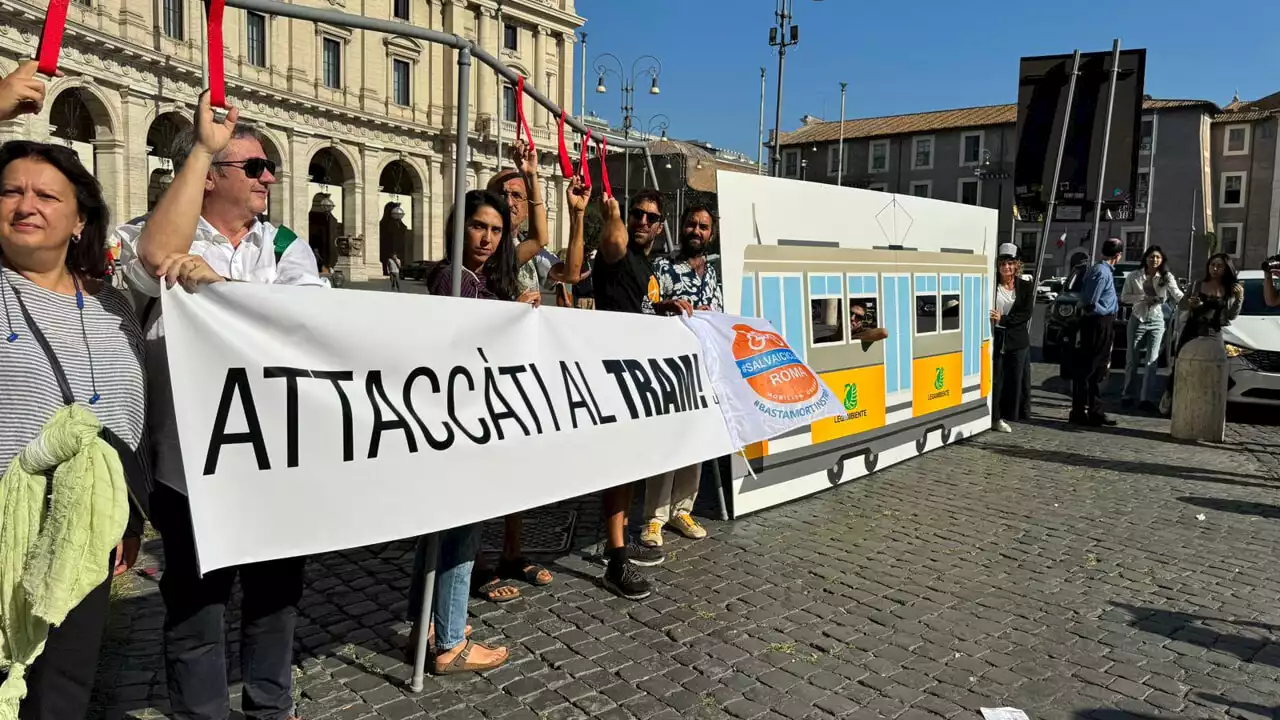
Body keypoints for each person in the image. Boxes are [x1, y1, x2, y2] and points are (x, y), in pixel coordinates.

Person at [117, 91, 326, 720]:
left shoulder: (285, 245)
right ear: (207, 178)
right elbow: (150, 261)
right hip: (188, 464)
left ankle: (270, 706)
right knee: (195, 606)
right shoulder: (147, 235)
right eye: (255, 167)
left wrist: (224, 289)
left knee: (274, 597)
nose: (269, 177)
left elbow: (307, 321)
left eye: (269, 168)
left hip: (274, 457)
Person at [0, 61, 154, 720]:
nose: (25, 204)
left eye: (46, 195)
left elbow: (125, 414)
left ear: (81, 219)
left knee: (62, 691)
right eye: (8, 191)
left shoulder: (114, 302)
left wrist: (124, 516)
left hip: (84, 529)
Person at [411, 187, 561, 675]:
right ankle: (450, 641)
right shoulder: (450, 277)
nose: (487, 238)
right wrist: (510, 313)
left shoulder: (479, 277)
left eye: (496, 230)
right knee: (460, 532)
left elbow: (536, 240)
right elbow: (468, 339)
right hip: (459, 424)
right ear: (460, 226)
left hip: (465, 420)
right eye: (479, 226)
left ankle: (428, 622)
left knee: (438, 531)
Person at [592, 189, 692, 598]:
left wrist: (663, 306)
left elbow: (639, 306)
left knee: (631, 466)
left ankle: (618, 538)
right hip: (614, 374)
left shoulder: (648, 264)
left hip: (639, 376)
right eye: (636, 214)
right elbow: (613, 241)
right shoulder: (616, 251)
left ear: (661, 226)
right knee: (618, 467)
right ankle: (616, 561)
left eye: (651, 218)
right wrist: (610, 214)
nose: (643, 223)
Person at [641, 206, 723, 550]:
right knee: (668, 443)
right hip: (671, 370)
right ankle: (653, 518)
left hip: (704, 370)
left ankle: (682, 510)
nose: (696, 230)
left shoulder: (716, 273)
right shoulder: (663, 266)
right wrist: (668, 306)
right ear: (682, 226)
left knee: (696, 441)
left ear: (711, 234)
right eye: (691, 223)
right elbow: (645, 305)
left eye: (703, 226)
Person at [1161, 253, 1244, 415]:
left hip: (1214, 331)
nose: (1215, 269)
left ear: (1226, 268)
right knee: (1181, 365)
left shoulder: (1230, 289)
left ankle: (1208, 403)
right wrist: (1191, 304)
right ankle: (1171, 397)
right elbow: (1183, 306)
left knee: (1217, 368)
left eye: (1219, 266)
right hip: (1193, 329)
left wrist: (1239, 298)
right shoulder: (1198, 285)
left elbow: (1231, 316)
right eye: (1212, 265)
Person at [1119, 245, 1182, 412]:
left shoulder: (1166, 277)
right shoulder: (1134, 276)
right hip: (1137, 318)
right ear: (1146, 258)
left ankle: (1146, 398)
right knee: (1132, 359)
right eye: (1151, 257)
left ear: (1162, 260)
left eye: (1158, 257)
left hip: (1156, 320)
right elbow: (1124, 297)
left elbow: (1177, 294)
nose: (1154, 260)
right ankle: (1128, 394)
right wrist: (1143, 298)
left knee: (1151, 361)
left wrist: (1189, 301)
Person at [1070, 238, 1123, 427]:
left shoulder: (1101, 270)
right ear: (1118, 256)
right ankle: (1085, 411)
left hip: (1101, 321)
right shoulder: (1101, 271)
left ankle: (1093, 410)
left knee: (1097, 368)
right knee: (1092, 368)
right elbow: (1090, 300)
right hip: (1097, 322)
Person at [989, 243, 1036, 433]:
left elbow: (1026, 313)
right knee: (997, 379)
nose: (1006, 267)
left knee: (1014, 380)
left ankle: (1007, 416)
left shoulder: (1024, 286)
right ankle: (995, 416)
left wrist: (1004, 319)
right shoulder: (991, 285)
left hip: (1017, 340)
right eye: (1002, 263)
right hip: (997, 337)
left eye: (1010, 263)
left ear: (1016, 265)